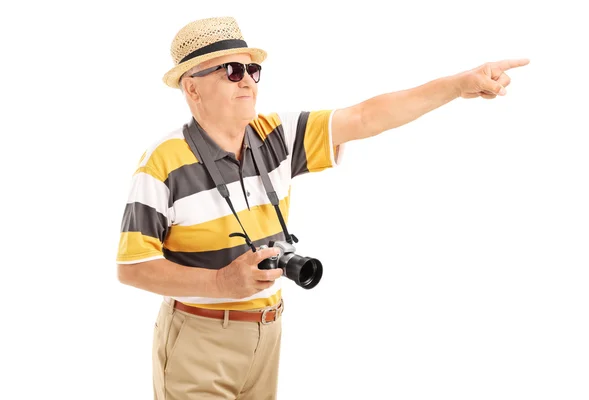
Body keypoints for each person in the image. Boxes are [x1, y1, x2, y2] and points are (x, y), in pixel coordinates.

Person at [115, 16, 529, 400]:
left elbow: (367, 116)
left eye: (252, 70)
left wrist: (458, 85)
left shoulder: (274, 135)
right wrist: (222, 283)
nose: (248, 82)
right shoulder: (162, 162)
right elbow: (132, 267)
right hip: (199, 338)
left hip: (268, 331)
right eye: (231, 71)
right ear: (192, 87)